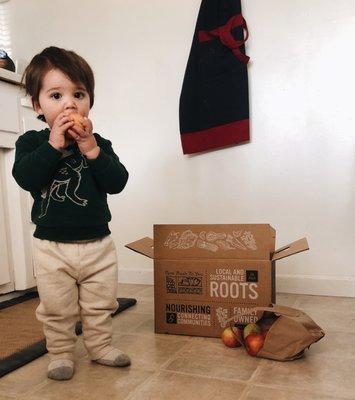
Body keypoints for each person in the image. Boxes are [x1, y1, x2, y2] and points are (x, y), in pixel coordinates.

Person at [12, 46, 130, 381]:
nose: (70, 104)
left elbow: (118, 182)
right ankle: (61, 353)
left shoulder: (98, 143)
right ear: (37, 104)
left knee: (100, 303)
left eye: (78, 94)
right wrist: (53, 145)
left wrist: (91, 149)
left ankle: (100, 346)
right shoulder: (33, 144)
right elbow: (25, 178)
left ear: (89, 100)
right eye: (56, 95)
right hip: (52, 247)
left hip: (98, 244)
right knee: (56, 308)